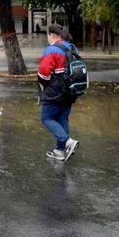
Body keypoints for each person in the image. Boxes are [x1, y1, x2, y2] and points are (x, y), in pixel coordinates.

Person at [37, 24, 80, 162]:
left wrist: (43, 87)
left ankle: (68, 142)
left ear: (51, 35)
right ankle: (59, 151)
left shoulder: (52, 50)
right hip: (71, 90)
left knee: (46, 118)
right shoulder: (71, 47)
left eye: (47, 35)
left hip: (55, 92)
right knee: (62, 119)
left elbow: (44, 74)